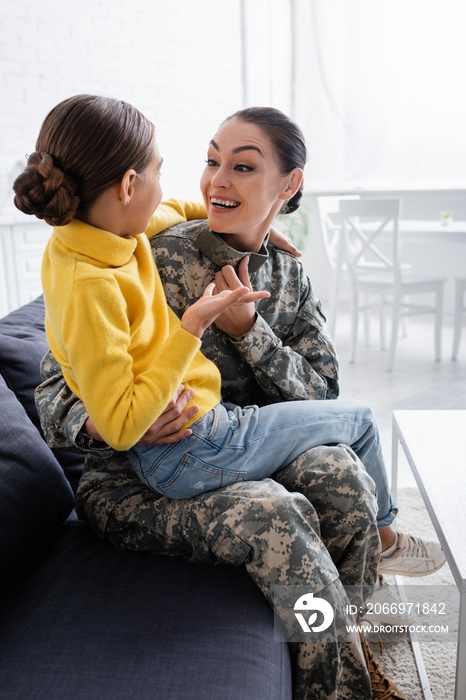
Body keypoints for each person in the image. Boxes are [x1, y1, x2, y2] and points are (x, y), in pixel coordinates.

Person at [23, 96, 408, 698]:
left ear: (289, 185)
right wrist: (113, 424)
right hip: (134, 475)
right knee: (275, 513)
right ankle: (342, 688)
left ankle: (341, 650)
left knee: (343, 472)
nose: (217, 181)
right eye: (210, 161)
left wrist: (252, 337)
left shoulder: (287, 273)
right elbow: (54, 387)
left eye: (244, 167)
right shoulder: (152, 253)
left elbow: (325, 394)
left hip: (239, 438)